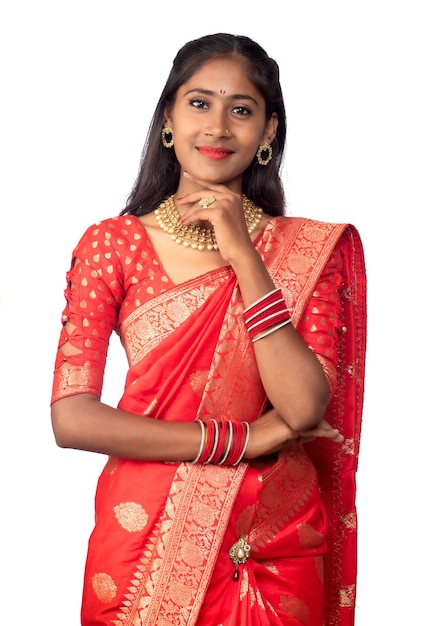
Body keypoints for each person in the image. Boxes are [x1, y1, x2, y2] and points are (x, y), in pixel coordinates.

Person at [50, 33, 367, 626]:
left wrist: (244, 254)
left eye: (240, 110)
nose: (218, 126)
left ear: (268, 131)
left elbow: (302, 409)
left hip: (272, 544)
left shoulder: (304, 253)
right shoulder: (113, 245)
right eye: (199, 103)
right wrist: (238, 442)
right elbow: (72, 417)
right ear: (168, 118)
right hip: (145, 538)